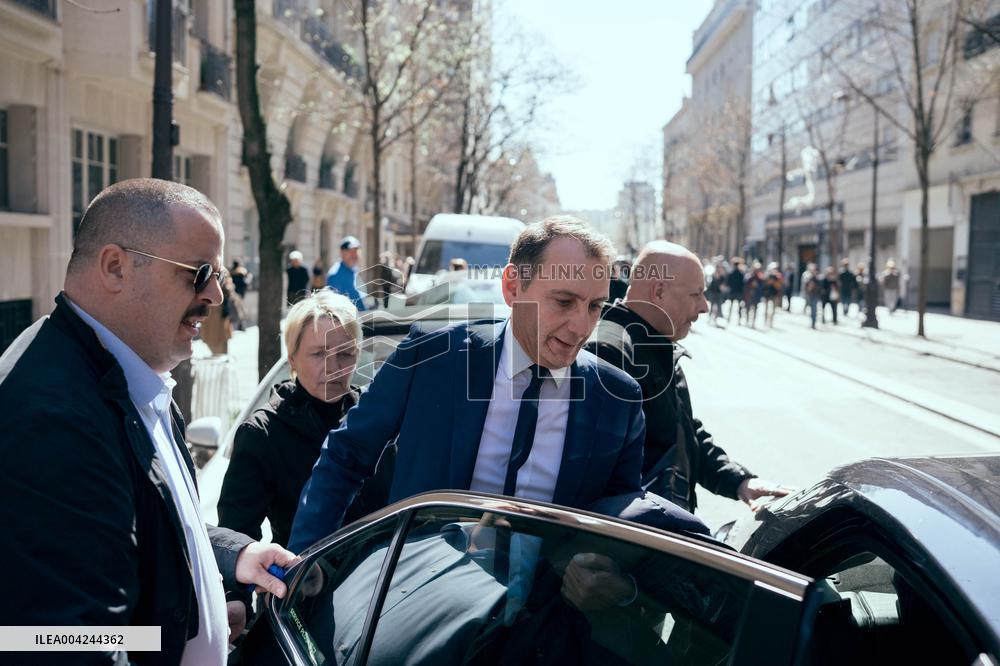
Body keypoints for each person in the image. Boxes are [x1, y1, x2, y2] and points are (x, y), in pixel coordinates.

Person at [0, 179, 295, 665]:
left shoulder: (129, 371)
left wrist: (225, 566)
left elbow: (148, 520)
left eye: (218, 275)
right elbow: (58, 642)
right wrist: (169, 634)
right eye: (200, 273)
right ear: (115, 267)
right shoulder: (53, 418)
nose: (217, 295)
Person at [288, 215, 646, 553]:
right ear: (512, 286)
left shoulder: (618, 399)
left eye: (596, 306)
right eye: (564, 301)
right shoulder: (431, 356)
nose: (581, 327)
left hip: (551, 617)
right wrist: (304, 559)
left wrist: (609, 579)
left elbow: (621, 524)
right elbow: (345, 455)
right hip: (418, 603)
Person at [586, 241, 789, 513]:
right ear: (658, 291)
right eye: (696, 294)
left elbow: (683, 432)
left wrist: (739, 480)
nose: (705, 306)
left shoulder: (654, 341)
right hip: (635, 542)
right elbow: (596, 480)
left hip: (657, 532)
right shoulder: (611, 354)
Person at [218, 291, 361, 549]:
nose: (333, 366)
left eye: (345, 354)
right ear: (292, 359)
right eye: (319, 354)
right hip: (302, 584)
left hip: (389, 583)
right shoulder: (262, 433)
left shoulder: (375, 420)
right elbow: (235, 543)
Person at [326, 235, 367, 311]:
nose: (354, 255)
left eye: (356, 251)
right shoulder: (335, 275)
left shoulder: (353, 270)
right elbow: (335, 308)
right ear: (342, 252)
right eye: (351, 251)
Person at [763, 262, 784, 328]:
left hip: (775, 295)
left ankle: (771, 322)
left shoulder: (778, 276)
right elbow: (764, 284)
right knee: (766, 309)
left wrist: (776, 281)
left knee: (773, 310)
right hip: (767, 294)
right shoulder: (767, 275)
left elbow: (780, 285)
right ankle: (765, 320)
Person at [725, 257, 745, 324]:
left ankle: (729, 318)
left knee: (731, 305)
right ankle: (739, 320)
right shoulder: (741, 274)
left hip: (732, 291)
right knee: (739, 306)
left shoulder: (731, 273)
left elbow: (728, 282)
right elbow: (743, 284)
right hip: (739, 292)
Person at [802, 263, 821, 329]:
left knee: (814, 310)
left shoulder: (817, 279)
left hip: (815, 295)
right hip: (810, 295)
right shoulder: (809, 278)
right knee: (812, 309)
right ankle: (812, 322)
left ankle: (813, 323)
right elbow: (805, 287)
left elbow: (820, 287)